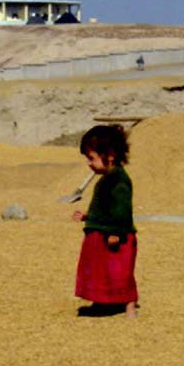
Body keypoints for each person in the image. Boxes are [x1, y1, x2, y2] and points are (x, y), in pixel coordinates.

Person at [72, 124, 139, 318]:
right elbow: (104, 207)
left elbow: (121, 209)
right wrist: (87, 216)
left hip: (114, 235)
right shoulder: (106, 178)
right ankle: (102, 301)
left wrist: (115, 232)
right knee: (100, 270)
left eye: (91, 158)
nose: (89, 163)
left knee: (120, 271)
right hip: (100, 233)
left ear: (109, 155)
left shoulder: (119, 180)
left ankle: (129, 304)